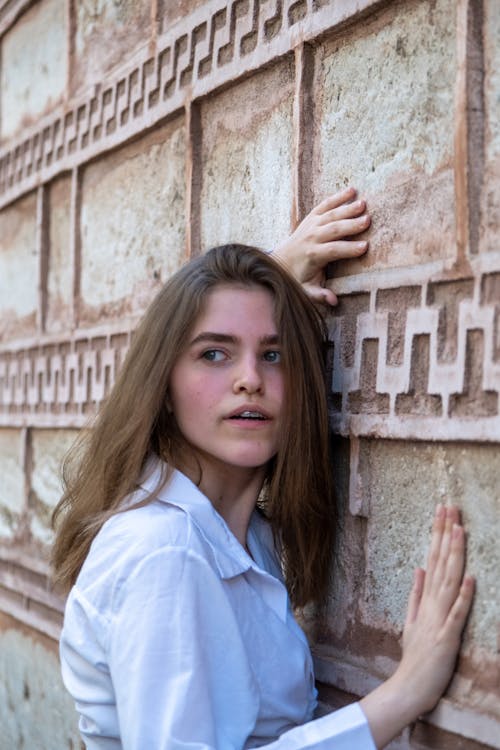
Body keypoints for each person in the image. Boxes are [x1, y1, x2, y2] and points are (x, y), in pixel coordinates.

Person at [52, 188, 474, 749]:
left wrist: (266, 286)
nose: (250, 378)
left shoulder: (243, 537)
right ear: (164, 385)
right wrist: (404, 693)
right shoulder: (166, 553)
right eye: (214, 353)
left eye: (273, 355)